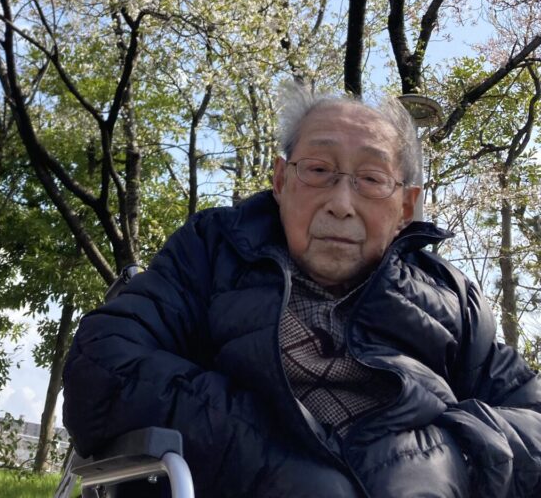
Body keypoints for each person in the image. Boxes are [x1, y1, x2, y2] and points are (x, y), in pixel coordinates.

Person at [62, 84, 541, 497]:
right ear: (280, 180)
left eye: (371, 179)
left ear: (405, 208)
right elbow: (102, 364)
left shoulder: (451, 296)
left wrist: (444, 457)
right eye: (317, 170)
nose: (341, 204)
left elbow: (532, 417)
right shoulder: (212, 250)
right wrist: (280, 461)